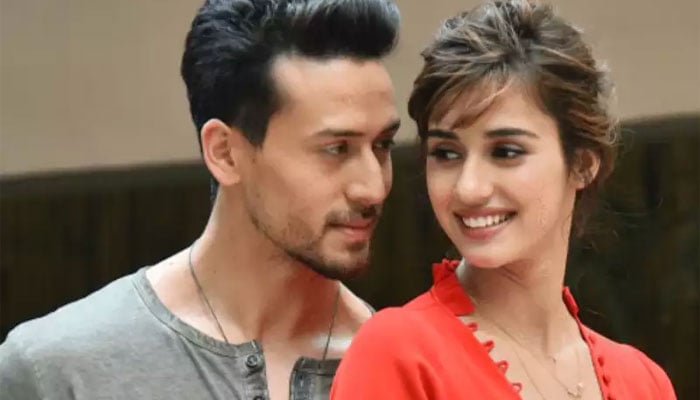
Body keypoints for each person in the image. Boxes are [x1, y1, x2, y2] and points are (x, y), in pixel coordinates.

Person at [0, 0, 401, 399]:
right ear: (225, 153)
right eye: (336, 149)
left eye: (383, 145)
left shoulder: (407, 370)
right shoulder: (57, 370)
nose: (373, 187)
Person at [331, 0, 676, 399]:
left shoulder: (645, 383)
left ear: (582, 164)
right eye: (446, 153)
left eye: (506, 152)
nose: (468, 188)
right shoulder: (398, 354)